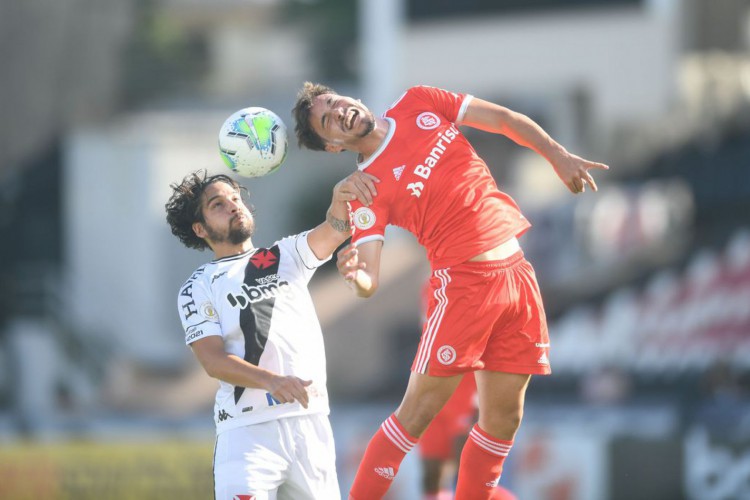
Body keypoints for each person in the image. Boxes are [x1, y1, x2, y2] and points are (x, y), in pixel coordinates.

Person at [292, 82, 609, 499]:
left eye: (334, 102)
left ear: (350, 98)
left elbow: (503, 119)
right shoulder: (363, 187)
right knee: (416, 414)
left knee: (504, 420)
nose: (338, 112)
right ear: (333, 146)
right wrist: (356, 275)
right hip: (463, 287)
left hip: (517, 276)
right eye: (327, 121)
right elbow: (369, 276)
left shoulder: (417, 101)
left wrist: (557, 155)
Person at [165, 169, 377, 500]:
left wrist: (340, 196)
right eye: (218, 204)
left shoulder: (286, 255)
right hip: (247, 434)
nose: (233, 205)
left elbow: (336, 228)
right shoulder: (198, 287)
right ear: (200, 228)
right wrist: (271, 381)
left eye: (235, 198)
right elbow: (213, 361)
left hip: (310, 423)